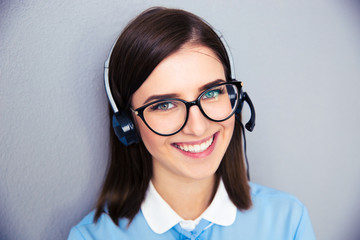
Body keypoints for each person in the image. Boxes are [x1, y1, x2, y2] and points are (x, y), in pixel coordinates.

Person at [68, 7, 316, 240]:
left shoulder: (288, 222)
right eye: (164, 104)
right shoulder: (91, 237)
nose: (197, 127)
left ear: (235, 102)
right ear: (127, 124)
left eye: (211, 93)